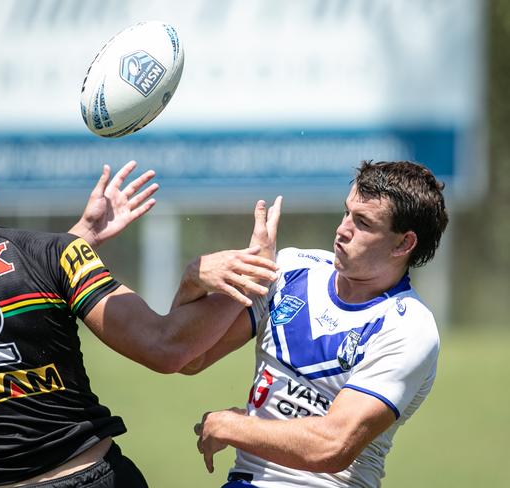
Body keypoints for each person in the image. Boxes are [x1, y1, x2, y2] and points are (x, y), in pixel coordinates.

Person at [0, 116, 279, 488]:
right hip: (87, 477)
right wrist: (255, 272)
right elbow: (165, 346)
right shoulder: (48, 253)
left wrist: (81, 236)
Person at [177, 160, 449, 487]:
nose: (343, 229)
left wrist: (231, 426)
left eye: (363, 222)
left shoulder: (408, 326)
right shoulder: (292, 269)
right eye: (347, 212)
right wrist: (195, 280)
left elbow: (332, 445)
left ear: (403, 244)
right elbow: (190, 357)